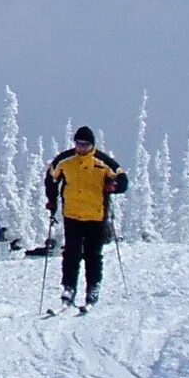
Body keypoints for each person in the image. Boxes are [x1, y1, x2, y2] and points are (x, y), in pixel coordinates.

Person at [46, 124, 129, 310]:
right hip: (72, 214)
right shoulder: (65, 160)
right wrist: (52, 200)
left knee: (93, 255)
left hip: (96, 216)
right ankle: (68, 288)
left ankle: (93, 287)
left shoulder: (102, 161)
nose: (81, 148)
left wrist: (114, 187)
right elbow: (51, 177)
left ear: (92, 145)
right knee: (70, 254)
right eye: (78, 144)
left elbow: (123, 179)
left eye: (85, 145)